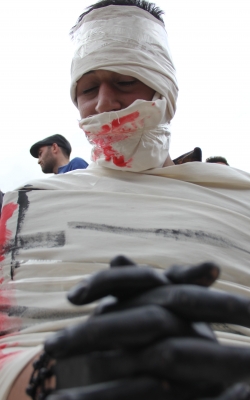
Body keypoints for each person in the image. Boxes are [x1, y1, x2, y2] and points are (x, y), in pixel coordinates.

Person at [1, 1, 250, 400]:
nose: (103, 104)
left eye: (124, 81)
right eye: (87, 89)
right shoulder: (22, 210)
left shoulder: (241, 196)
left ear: (164, 88)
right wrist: (54, 377)